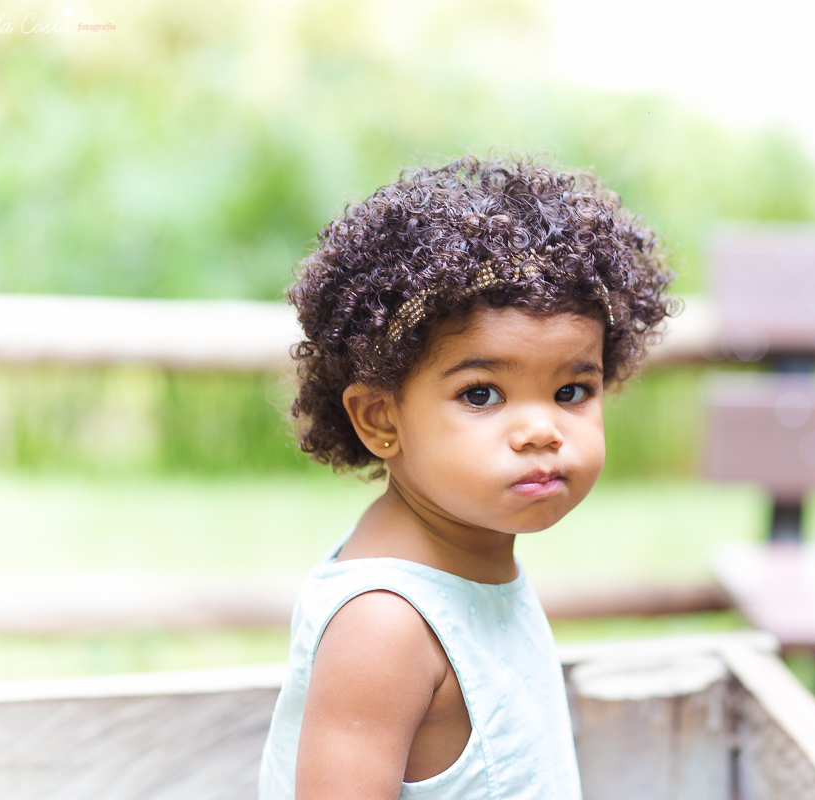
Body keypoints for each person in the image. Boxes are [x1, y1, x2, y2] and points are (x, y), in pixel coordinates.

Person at [259, 154, 675, 800]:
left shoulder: (470, 554)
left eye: (571, 389)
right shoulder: (385, 627)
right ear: (380, 417)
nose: (542, 430)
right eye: (482, 395)